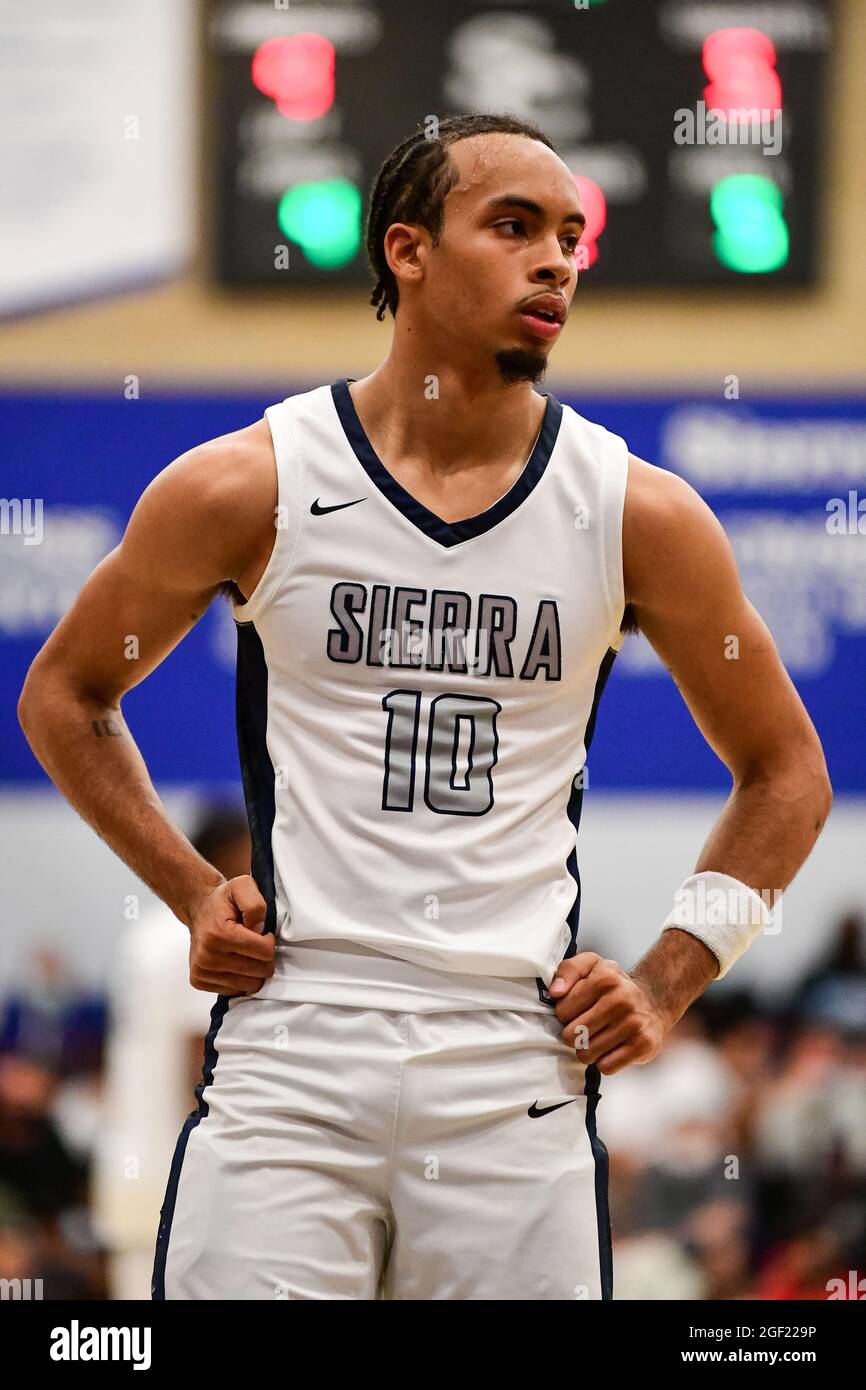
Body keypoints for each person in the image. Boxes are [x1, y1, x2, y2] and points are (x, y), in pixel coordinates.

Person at [17, 113, 832, 1300]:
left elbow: (787, 774)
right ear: (406, 250)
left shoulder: (635, 513)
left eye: (569, 236)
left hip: (515, 1057)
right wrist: (191, 891)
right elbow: (64, 693)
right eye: (511, 227)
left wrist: (668, 976)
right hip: (295, 1040)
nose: (554, 260)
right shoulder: (251, 482)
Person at [90, 808, 250, 1300]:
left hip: (128, 1163)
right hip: (174, 1176)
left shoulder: (147, 934)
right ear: (225, 859)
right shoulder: (204, 936)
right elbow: (199, 1068)